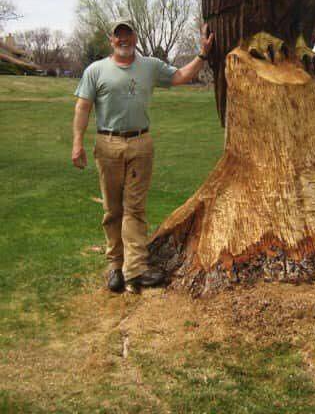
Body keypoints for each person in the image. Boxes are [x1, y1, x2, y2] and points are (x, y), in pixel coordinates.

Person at [72, 18, 213, 293]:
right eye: (118, 36)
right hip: (108, 144)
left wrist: (203, 54)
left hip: (140, 143)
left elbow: (180, 76)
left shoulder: (149, 66)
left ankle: (135, 270)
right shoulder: (96, 70)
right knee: (113, 209)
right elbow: (82, 108)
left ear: (135, 37)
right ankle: (115, 266)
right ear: (111, 40)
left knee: (134, 208)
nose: (123, 40)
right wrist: (77, 143)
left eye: (128, 34)